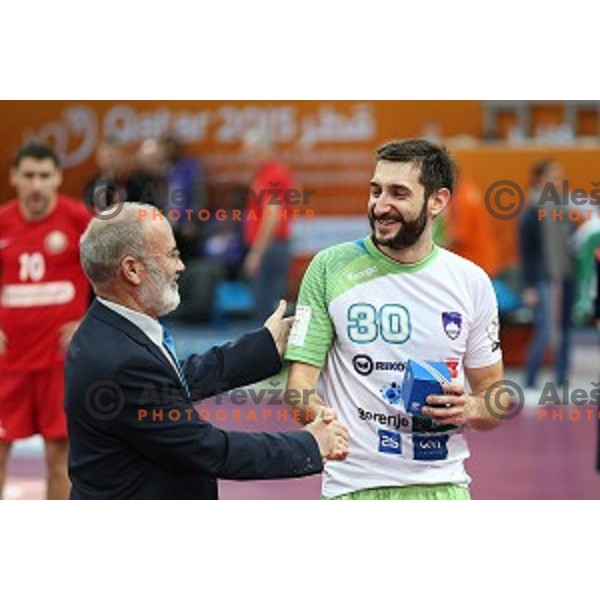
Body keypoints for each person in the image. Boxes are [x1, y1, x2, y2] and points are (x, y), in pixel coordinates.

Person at [65, 203, 348, 499]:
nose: (181, 266)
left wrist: (266, 345)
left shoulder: (110, 329)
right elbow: (208, 449)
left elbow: (177, 380)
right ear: (132, 270)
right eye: (172, 255)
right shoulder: (121, 360)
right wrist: (310, 444)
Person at [285, 139, 505, 500]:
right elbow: (299, 383)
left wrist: (471, 408)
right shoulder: (329, 268)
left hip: (442, 488)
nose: (380, 206)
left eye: (398, 193)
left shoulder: (471, 281)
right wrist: (317, 414)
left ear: (437, 201)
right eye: (375, 191)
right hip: (354, 488)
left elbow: (496, 396)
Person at [0, 143, 91, 499]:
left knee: (59, 458)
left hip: (59, 361)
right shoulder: (3, 221)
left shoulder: (79, 220)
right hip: (8, 362)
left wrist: (89, 320)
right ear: (14, 178)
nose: (36, 185)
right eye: (29, 176)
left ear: (57, 178)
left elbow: (118, 271)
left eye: (44, 176)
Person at [519, 160, 577, 390]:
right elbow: (526, 250)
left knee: (566, 329)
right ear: (540, 180)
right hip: (543, 278)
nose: (558, 181)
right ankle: (530, 380)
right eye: (553, 176)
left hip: (566, 275)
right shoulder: (532, 210)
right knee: (544, 330)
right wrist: (529, 285)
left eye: (560, 176)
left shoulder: (566, 208)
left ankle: (561, 380)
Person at [241, 130, 294, 322]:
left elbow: (272, 216)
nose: (248, 157)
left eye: (253, 152)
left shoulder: (271, 175)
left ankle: (267, 351)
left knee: (265, 310)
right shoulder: (267, 173)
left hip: (270, 248)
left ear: (267, 151)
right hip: (274, 246)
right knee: (268, 308)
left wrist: (257, 253)